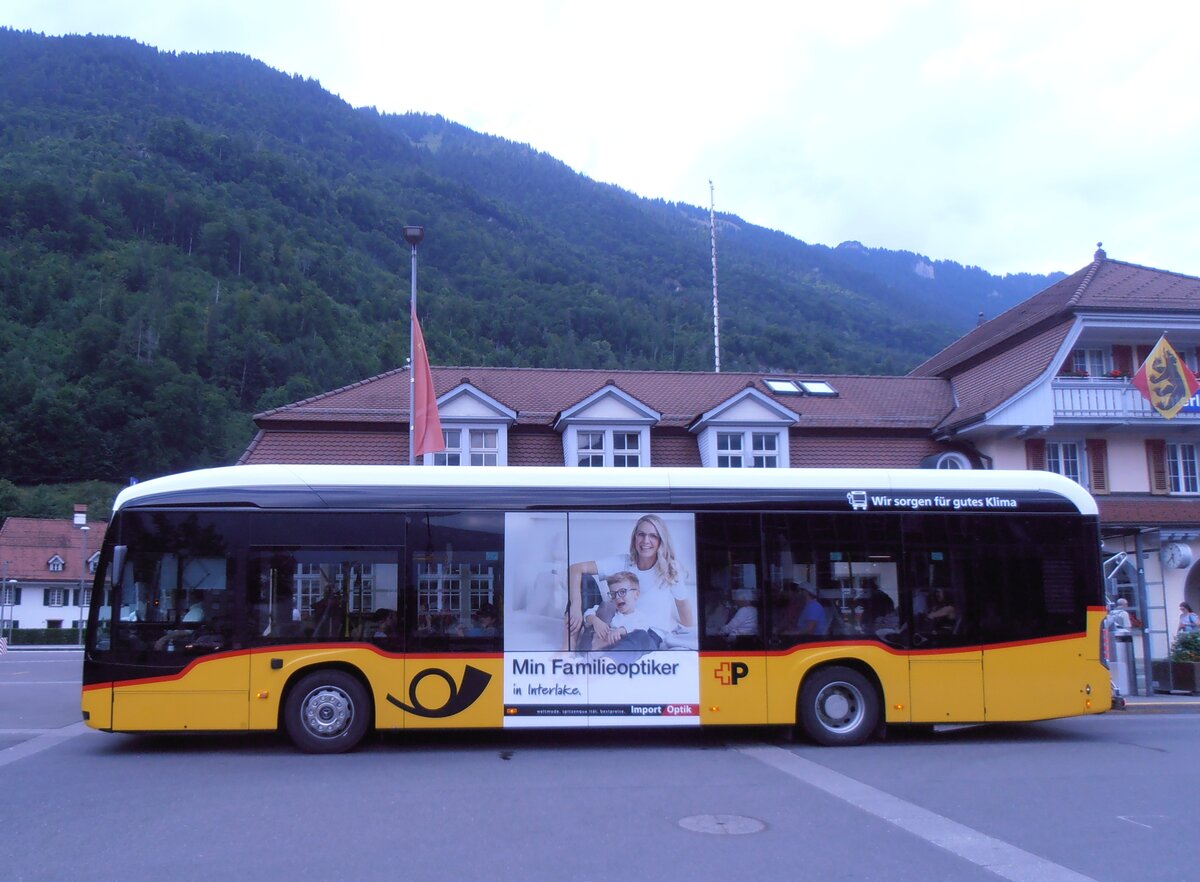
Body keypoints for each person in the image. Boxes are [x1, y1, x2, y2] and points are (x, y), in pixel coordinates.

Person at [564, 514, 695, 650]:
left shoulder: (670, 569)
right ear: (635, 538)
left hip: (646, 634)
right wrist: (576, 607)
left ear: (661, 540)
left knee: (638, 638)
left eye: (653, 536)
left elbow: (683, 605)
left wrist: (689, 636)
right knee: (584, 580)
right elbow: (575, 569)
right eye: (641, 534)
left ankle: (609, 657)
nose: (646, 541)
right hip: (614, 628)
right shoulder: (624, 562)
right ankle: (568, 647)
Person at [578, 571, 665, 657]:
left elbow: (639, 629)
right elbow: (588, 612)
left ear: (636, 594)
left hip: (618, 646)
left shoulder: (641, 617)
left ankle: (601, 651)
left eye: (622, 592)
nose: (617, 597)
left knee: (634, 637)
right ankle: (593, 648)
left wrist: (621, 631)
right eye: (613, 594)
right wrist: (595, 621)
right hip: (596, 642)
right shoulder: (610, 610)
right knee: (605, 607)